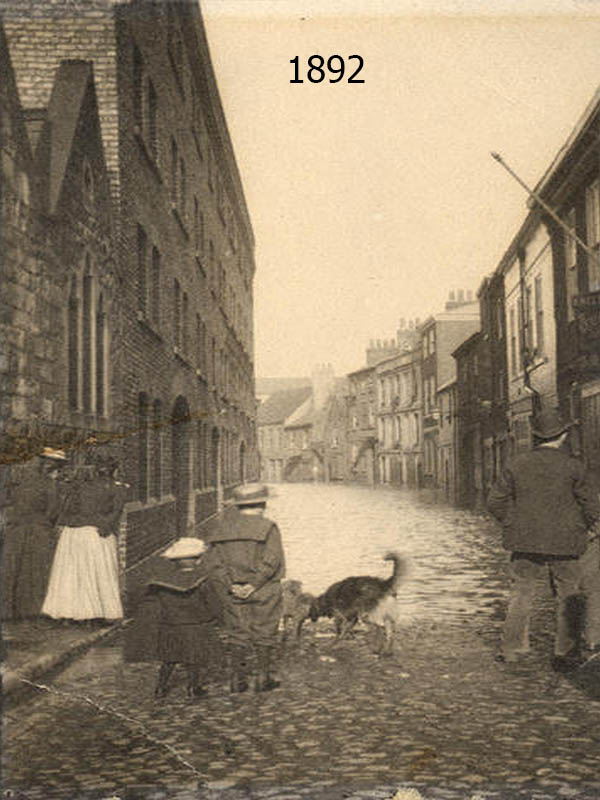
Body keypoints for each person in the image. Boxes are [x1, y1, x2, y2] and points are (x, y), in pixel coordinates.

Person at [487, 408, 600, 671]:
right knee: (568, 595)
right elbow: (593, 507)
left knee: (521, 595)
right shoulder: (574, 466)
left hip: (524, 542)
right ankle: (565, 653)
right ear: (562, 436)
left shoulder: (516, 464)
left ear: (536, 437)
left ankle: (511, 650)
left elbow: (495, 502)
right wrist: (581, 528)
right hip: (566, 544)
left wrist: (511, 523)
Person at [207, 482, 285, 693]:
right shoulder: (268, 527)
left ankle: (237, 679)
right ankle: (262, 677)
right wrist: (254, 584)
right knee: (265, 629)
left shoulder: (221, 529)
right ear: (262, 504)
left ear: (237, 506)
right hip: (264, 589)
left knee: (236, 632)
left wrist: (232, 585)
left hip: (231, 590)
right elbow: (272, 559)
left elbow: (214, 564)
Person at [41, 451, 126, 623]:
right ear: (114, 470)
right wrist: (104, 527)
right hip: (95, 534)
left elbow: (67, 510)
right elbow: (115, 513)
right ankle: (93, 613)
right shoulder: (118, 488)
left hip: (73, 534)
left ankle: (67, 613)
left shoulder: (78, 487)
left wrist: (69, 524)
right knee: (95, 574)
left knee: (71, 574)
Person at [146, 537, 222, 702]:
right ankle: (193, 688)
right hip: (194, 625)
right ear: (198, 560)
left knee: (168, 659)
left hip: (169, 625)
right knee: (193, 659)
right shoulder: (202, 580)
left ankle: (160, 688)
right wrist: (217, 618)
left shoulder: (162, 581)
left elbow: (153, 603)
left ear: (174, 562)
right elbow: (212, 602)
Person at [1, 447, 66, 620]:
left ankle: (7, 610)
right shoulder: (49, 484)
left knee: (12, 567)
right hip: (38, 529)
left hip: (16, 527)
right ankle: (31, 610)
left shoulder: (15, 481)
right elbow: (53, 510)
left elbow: (5, 502)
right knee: (35, 570)